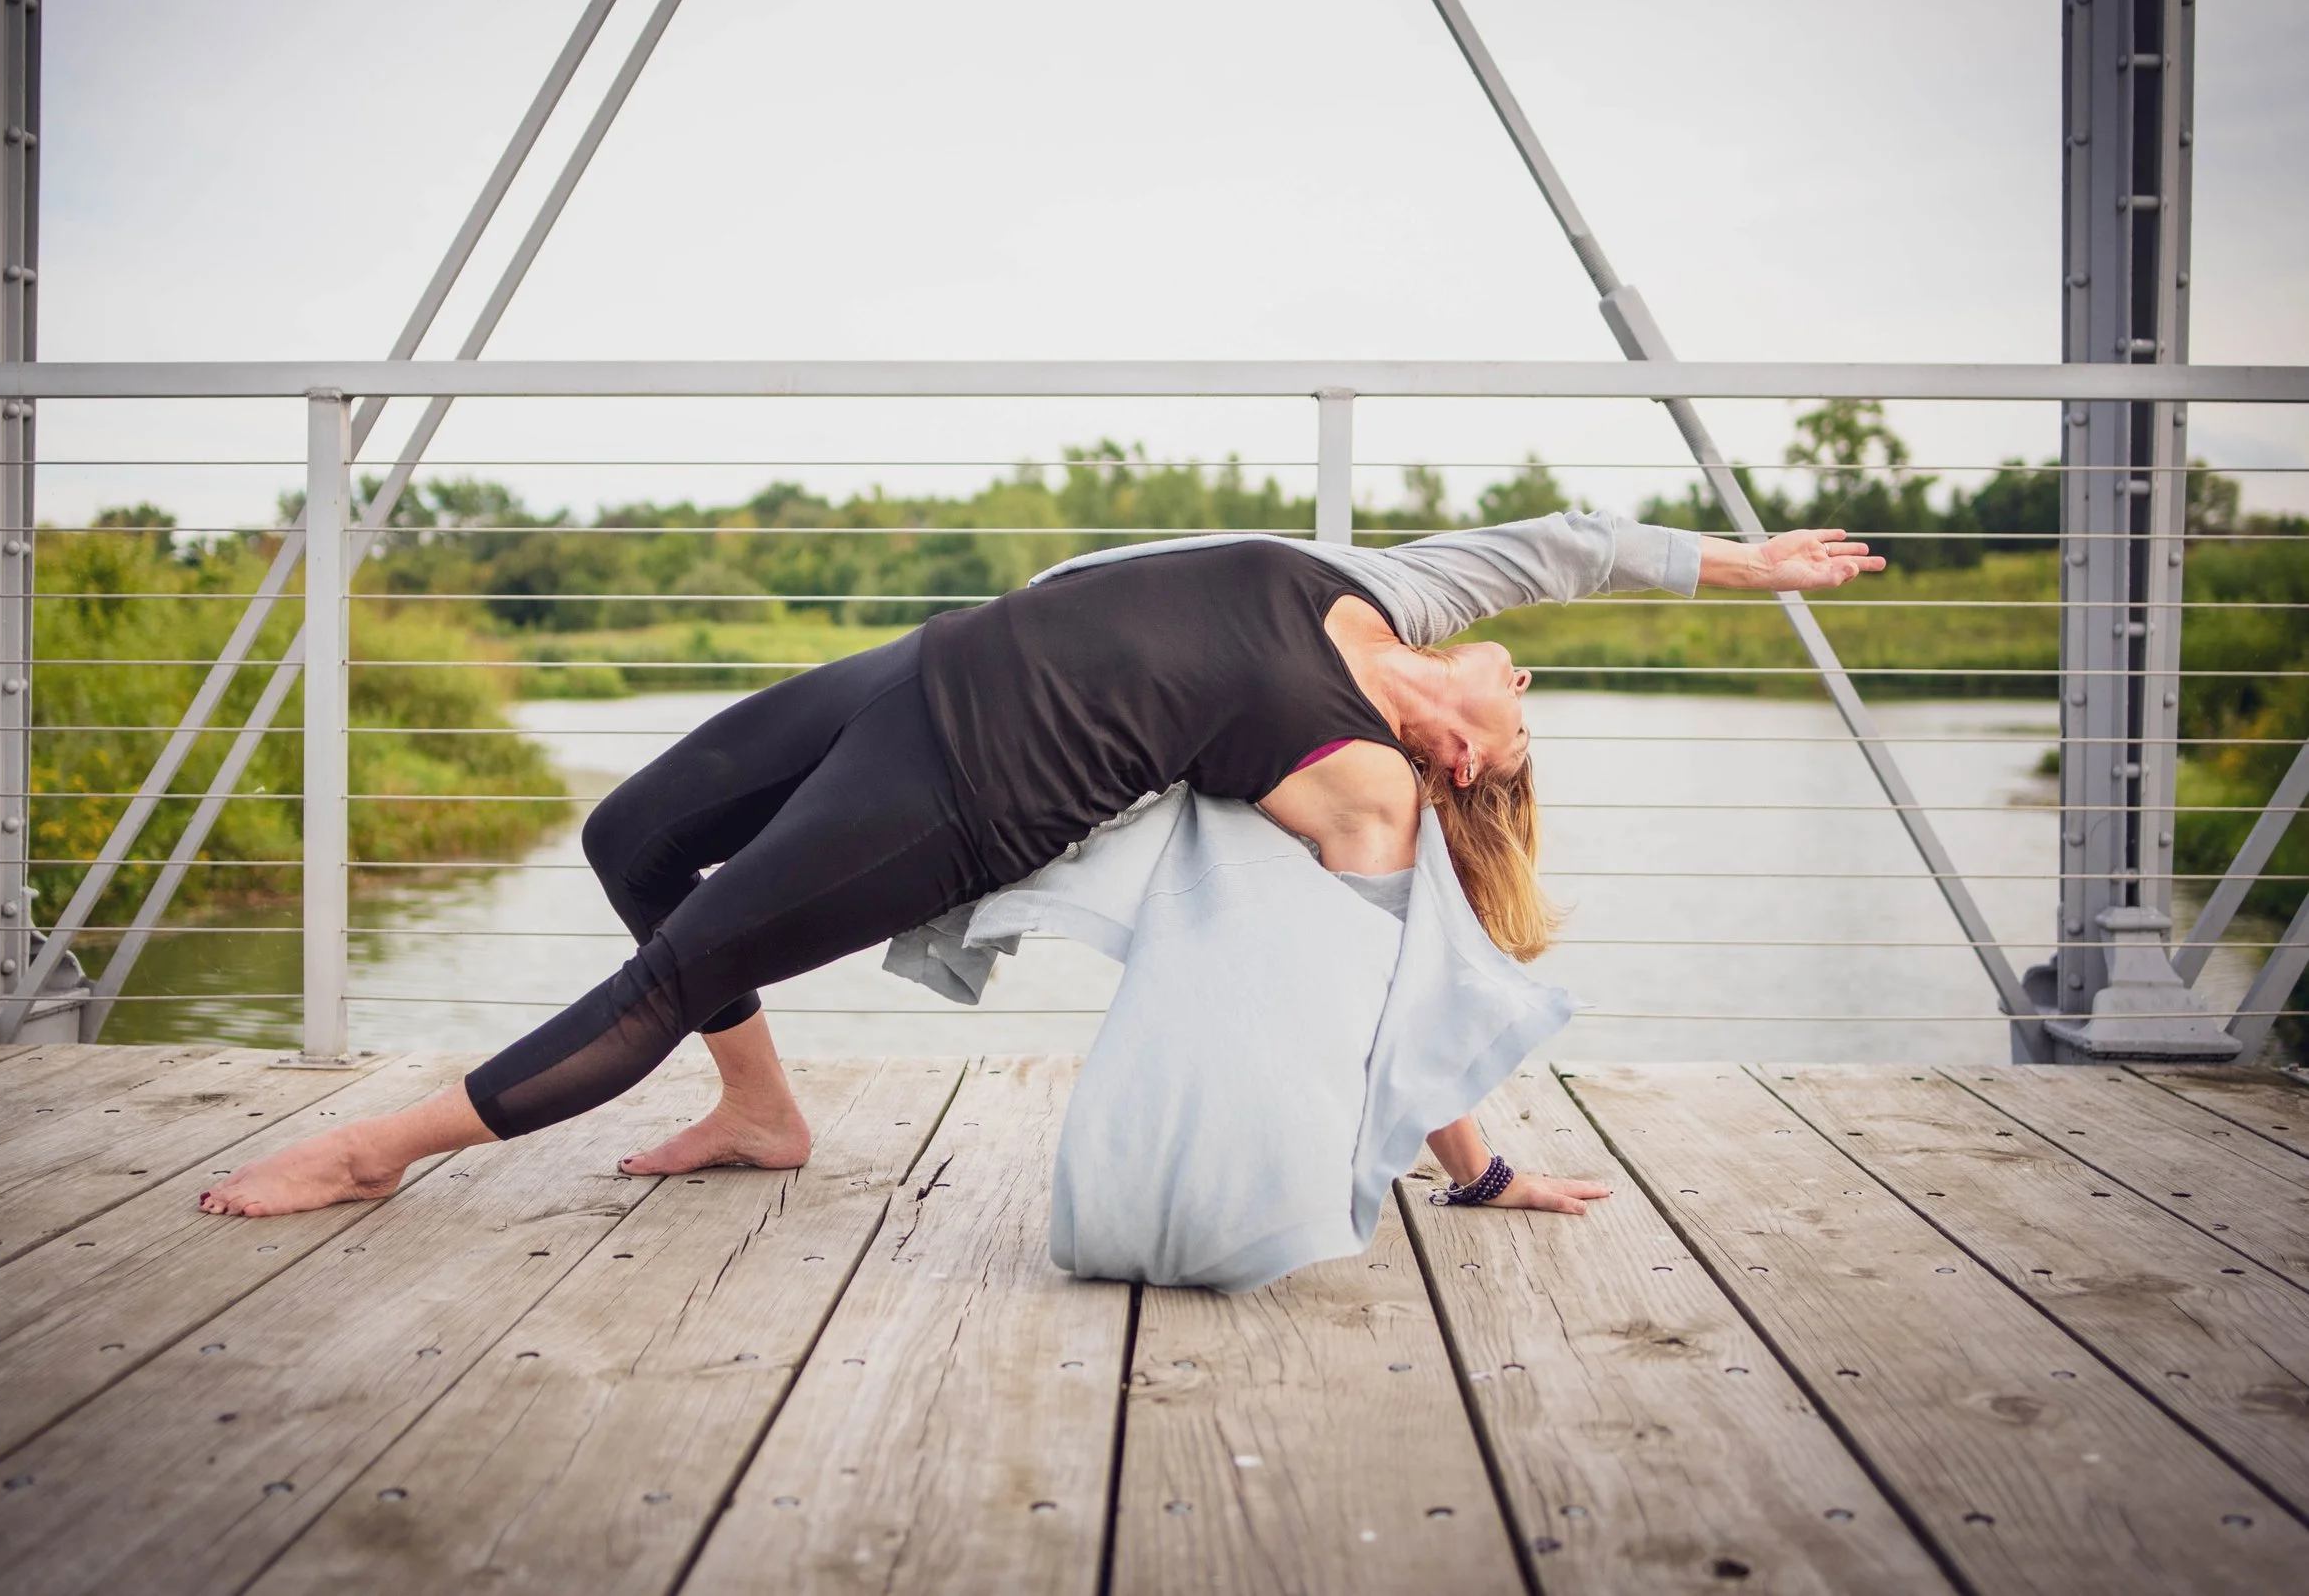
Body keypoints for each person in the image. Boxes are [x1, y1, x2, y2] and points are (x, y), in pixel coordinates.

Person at [198, 513, 1882, 1221]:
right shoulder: (1392, 594)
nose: (1528, 690)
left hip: (967, 788)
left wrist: (1478, 1165)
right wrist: (1747, 567)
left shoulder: (1357, 779)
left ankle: (376, 1155)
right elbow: (1568, 544)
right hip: (919, 666)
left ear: (1464, 765)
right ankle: (762, 1116)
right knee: (629, 835)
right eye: (1529, 695)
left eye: (1522, 739)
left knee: (681, 961)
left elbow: (1401, 965)